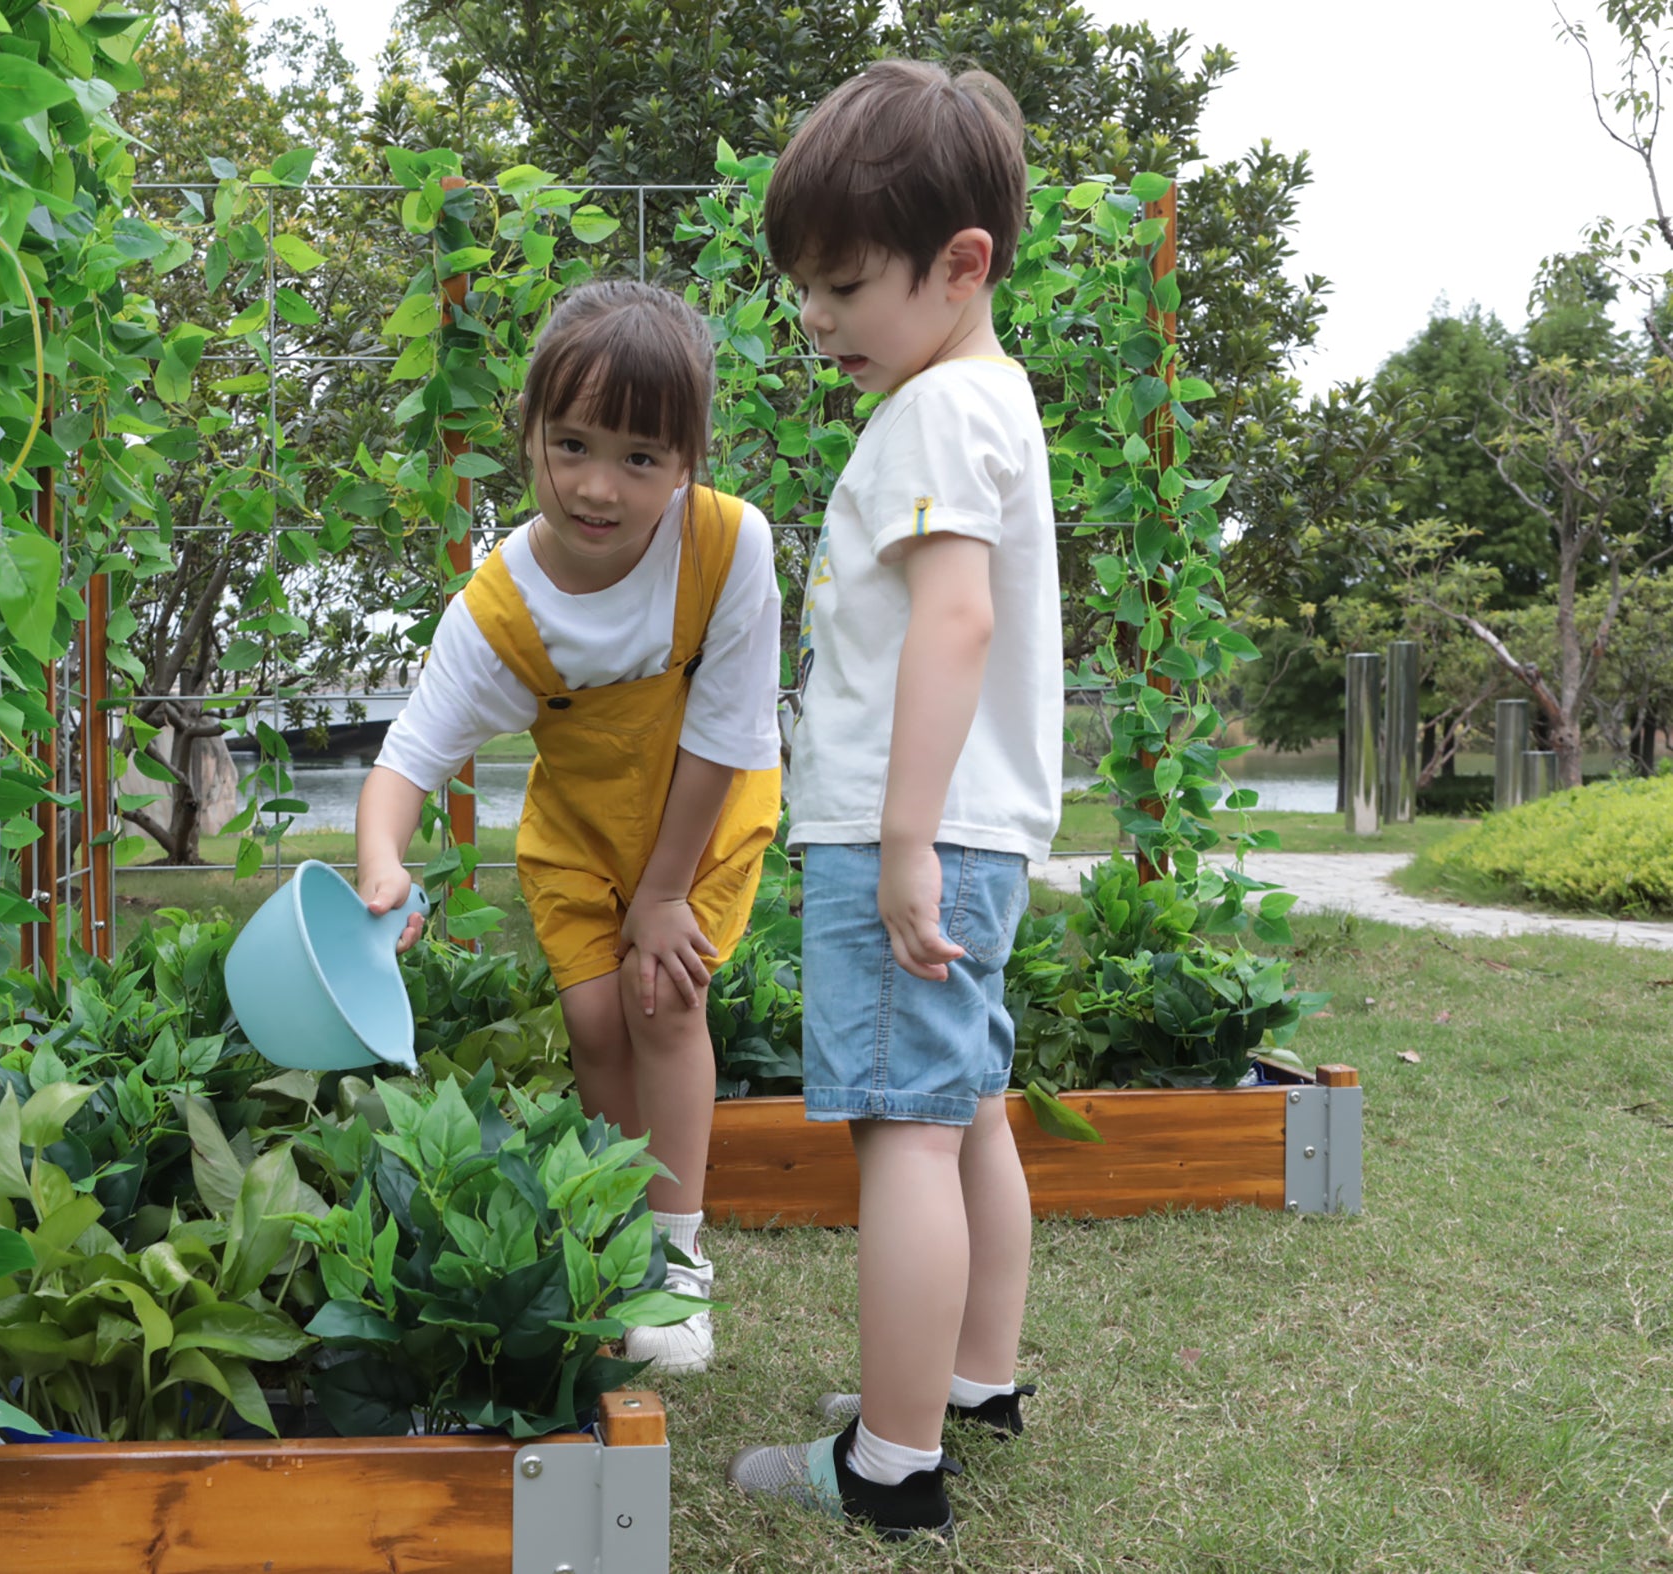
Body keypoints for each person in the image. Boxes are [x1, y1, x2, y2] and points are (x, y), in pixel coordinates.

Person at [724, 60, 1059, 1539]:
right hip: (976, 826)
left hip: (903, 826)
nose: (816, 317)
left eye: (845, 283)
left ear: (959, 265)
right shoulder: (990, 399)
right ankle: (971, 1375)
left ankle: (890, 1461)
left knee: (901, 1133)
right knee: (966, 1102)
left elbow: (953, 625)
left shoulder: (929, 419)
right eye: (804, 284)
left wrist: (903, 835)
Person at [354, 279, 783, 1376]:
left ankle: (674, 1258)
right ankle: (612, 1218)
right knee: (594, 1023)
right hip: (580, 834)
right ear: (529, 432)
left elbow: (725, 735)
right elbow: (409, 755)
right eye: (573, 444)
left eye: (640, 457)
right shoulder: (497, 606)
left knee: (660, 994)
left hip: (702, 812)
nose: (598, 486)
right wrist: (379, 862)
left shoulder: (729, 546)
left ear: (688, 459)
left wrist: (663, 893)